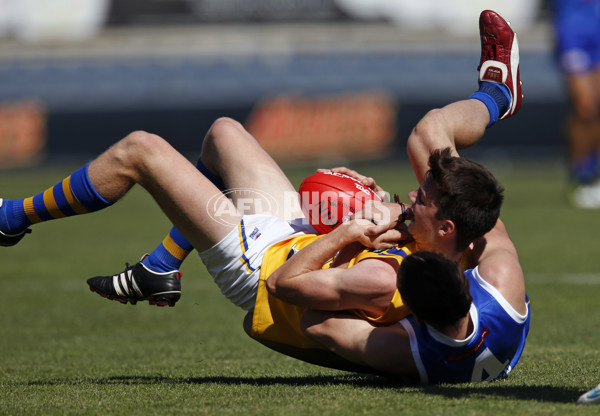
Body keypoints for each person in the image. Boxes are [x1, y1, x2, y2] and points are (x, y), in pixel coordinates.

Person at [0, 10, 529, 383]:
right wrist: (377, 204)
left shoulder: (388, 303)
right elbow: (422, 225)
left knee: (141, 151)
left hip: (262, 268)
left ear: (445, 232)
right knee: (225, 134)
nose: (414, 193)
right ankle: (499, 93)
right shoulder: (496, 273)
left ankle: (11, 216)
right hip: (310, 243)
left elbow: (299, 308)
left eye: (424, 199)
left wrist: (346, 230)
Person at [551, 0, 600, 208]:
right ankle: (580, 176)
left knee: (596, 108)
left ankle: (594, 173)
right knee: (584, 106)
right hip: (573, 28)